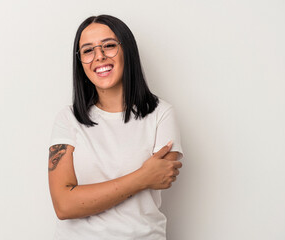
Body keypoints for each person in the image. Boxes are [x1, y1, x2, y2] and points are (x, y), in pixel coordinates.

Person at [48, 14, 184, 240]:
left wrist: (80, 196)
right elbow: (64, 206)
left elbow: (161, 176)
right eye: (88, 50)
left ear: (127, 51)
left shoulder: (161, 114)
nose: (99, 57)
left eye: (109, 46)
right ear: (80, 62)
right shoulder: (68, 119)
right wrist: (142, 177)